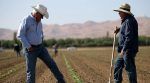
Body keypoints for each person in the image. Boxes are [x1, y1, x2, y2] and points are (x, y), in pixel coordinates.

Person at [17, 4, 65, 83]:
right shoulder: (26, 20)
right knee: (31, 71)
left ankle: (61, 80)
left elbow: (40, 34)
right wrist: (28, 46)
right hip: (30, 50)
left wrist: (40, 41)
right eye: (41, 16)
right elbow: (20, 35)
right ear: (36, 13)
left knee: (51, 63)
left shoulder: (39, 22)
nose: (42, 18)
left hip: (40, 48)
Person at [113, 3, 138, 83]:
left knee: (130, 69)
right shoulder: (127, 20)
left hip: (128, 50)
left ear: (124, 12)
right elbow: (127, 30)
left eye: (120, 12)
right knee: (117, 66)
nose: (119, 13)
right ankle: (117, 81)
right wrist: (119, 29)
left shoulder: (128, 21)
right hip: (124, 50)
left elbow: (129, 37)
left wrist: (124, 50)